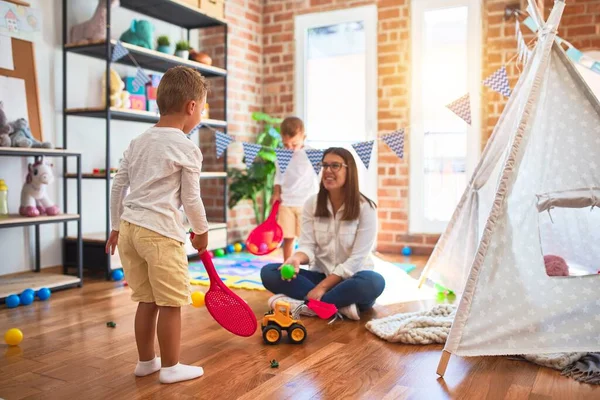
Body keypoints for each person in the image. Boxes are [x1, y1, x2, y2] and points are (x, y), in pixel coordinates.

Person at [105, 66, 209, 384]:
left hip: (130, 231)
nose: (201, 115)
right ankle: (171, 367)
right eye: (202, 108)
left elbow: (117, 185)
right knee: (171, 302)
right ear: (191, 106)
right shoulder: (186, 146)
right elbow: (191, 200)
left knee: (146, 300)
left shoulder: (138, 141)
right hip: (160, 234)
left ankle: (146, 362)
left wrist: (115, 226)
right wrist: (202, 231)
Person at [261, 147, 385, 321]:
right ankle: (340, 306)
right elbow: (307, 246)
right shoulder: (311, 204)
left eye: (335, 166)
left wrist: (322, 288)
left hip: (353, 278)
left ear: (349, 171)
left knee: (374, 282)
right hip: (321, 275)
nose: (327, 170)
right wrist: (296, 258)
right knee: (269, 272)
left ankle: (308, 305)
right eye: (324, 165)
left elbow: (356, 260)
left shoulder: (366, 208)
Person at [270, 116, 319, 261]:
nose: (290, 148)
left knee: (307, 239)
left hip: (306, 203)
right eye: (286, 144)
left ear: (304, 137)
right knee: (288, 238)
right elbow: (278, 178)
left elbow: (321, 176)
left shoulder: (312, 154)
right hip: (286, 203)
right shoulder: (282, 155)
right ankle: (287, 263)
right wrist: (276, 194)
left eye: (294, 143)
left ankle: (311, 266)